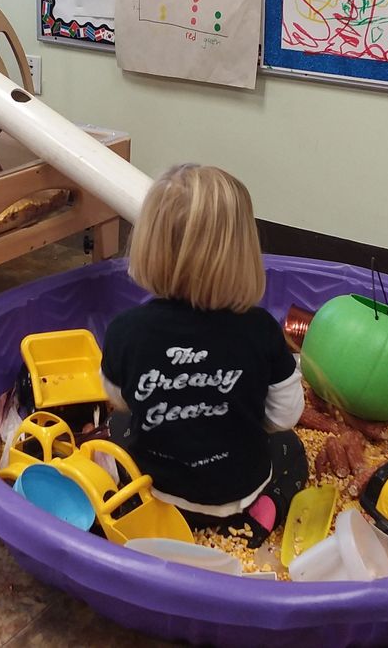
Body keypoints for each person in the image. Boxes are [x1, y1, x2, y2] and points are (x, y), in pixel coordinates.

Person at [100, 164, 307, 548]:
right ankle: (267, 512)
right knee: (292, 450)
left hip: (156, 489)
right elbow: (285, 417)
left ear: (148, 244)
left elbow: (118, 397)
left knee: (118, 428)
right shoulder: (261, 330)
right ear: (243, 253)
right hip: (238, 493)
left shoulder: (126, 329)